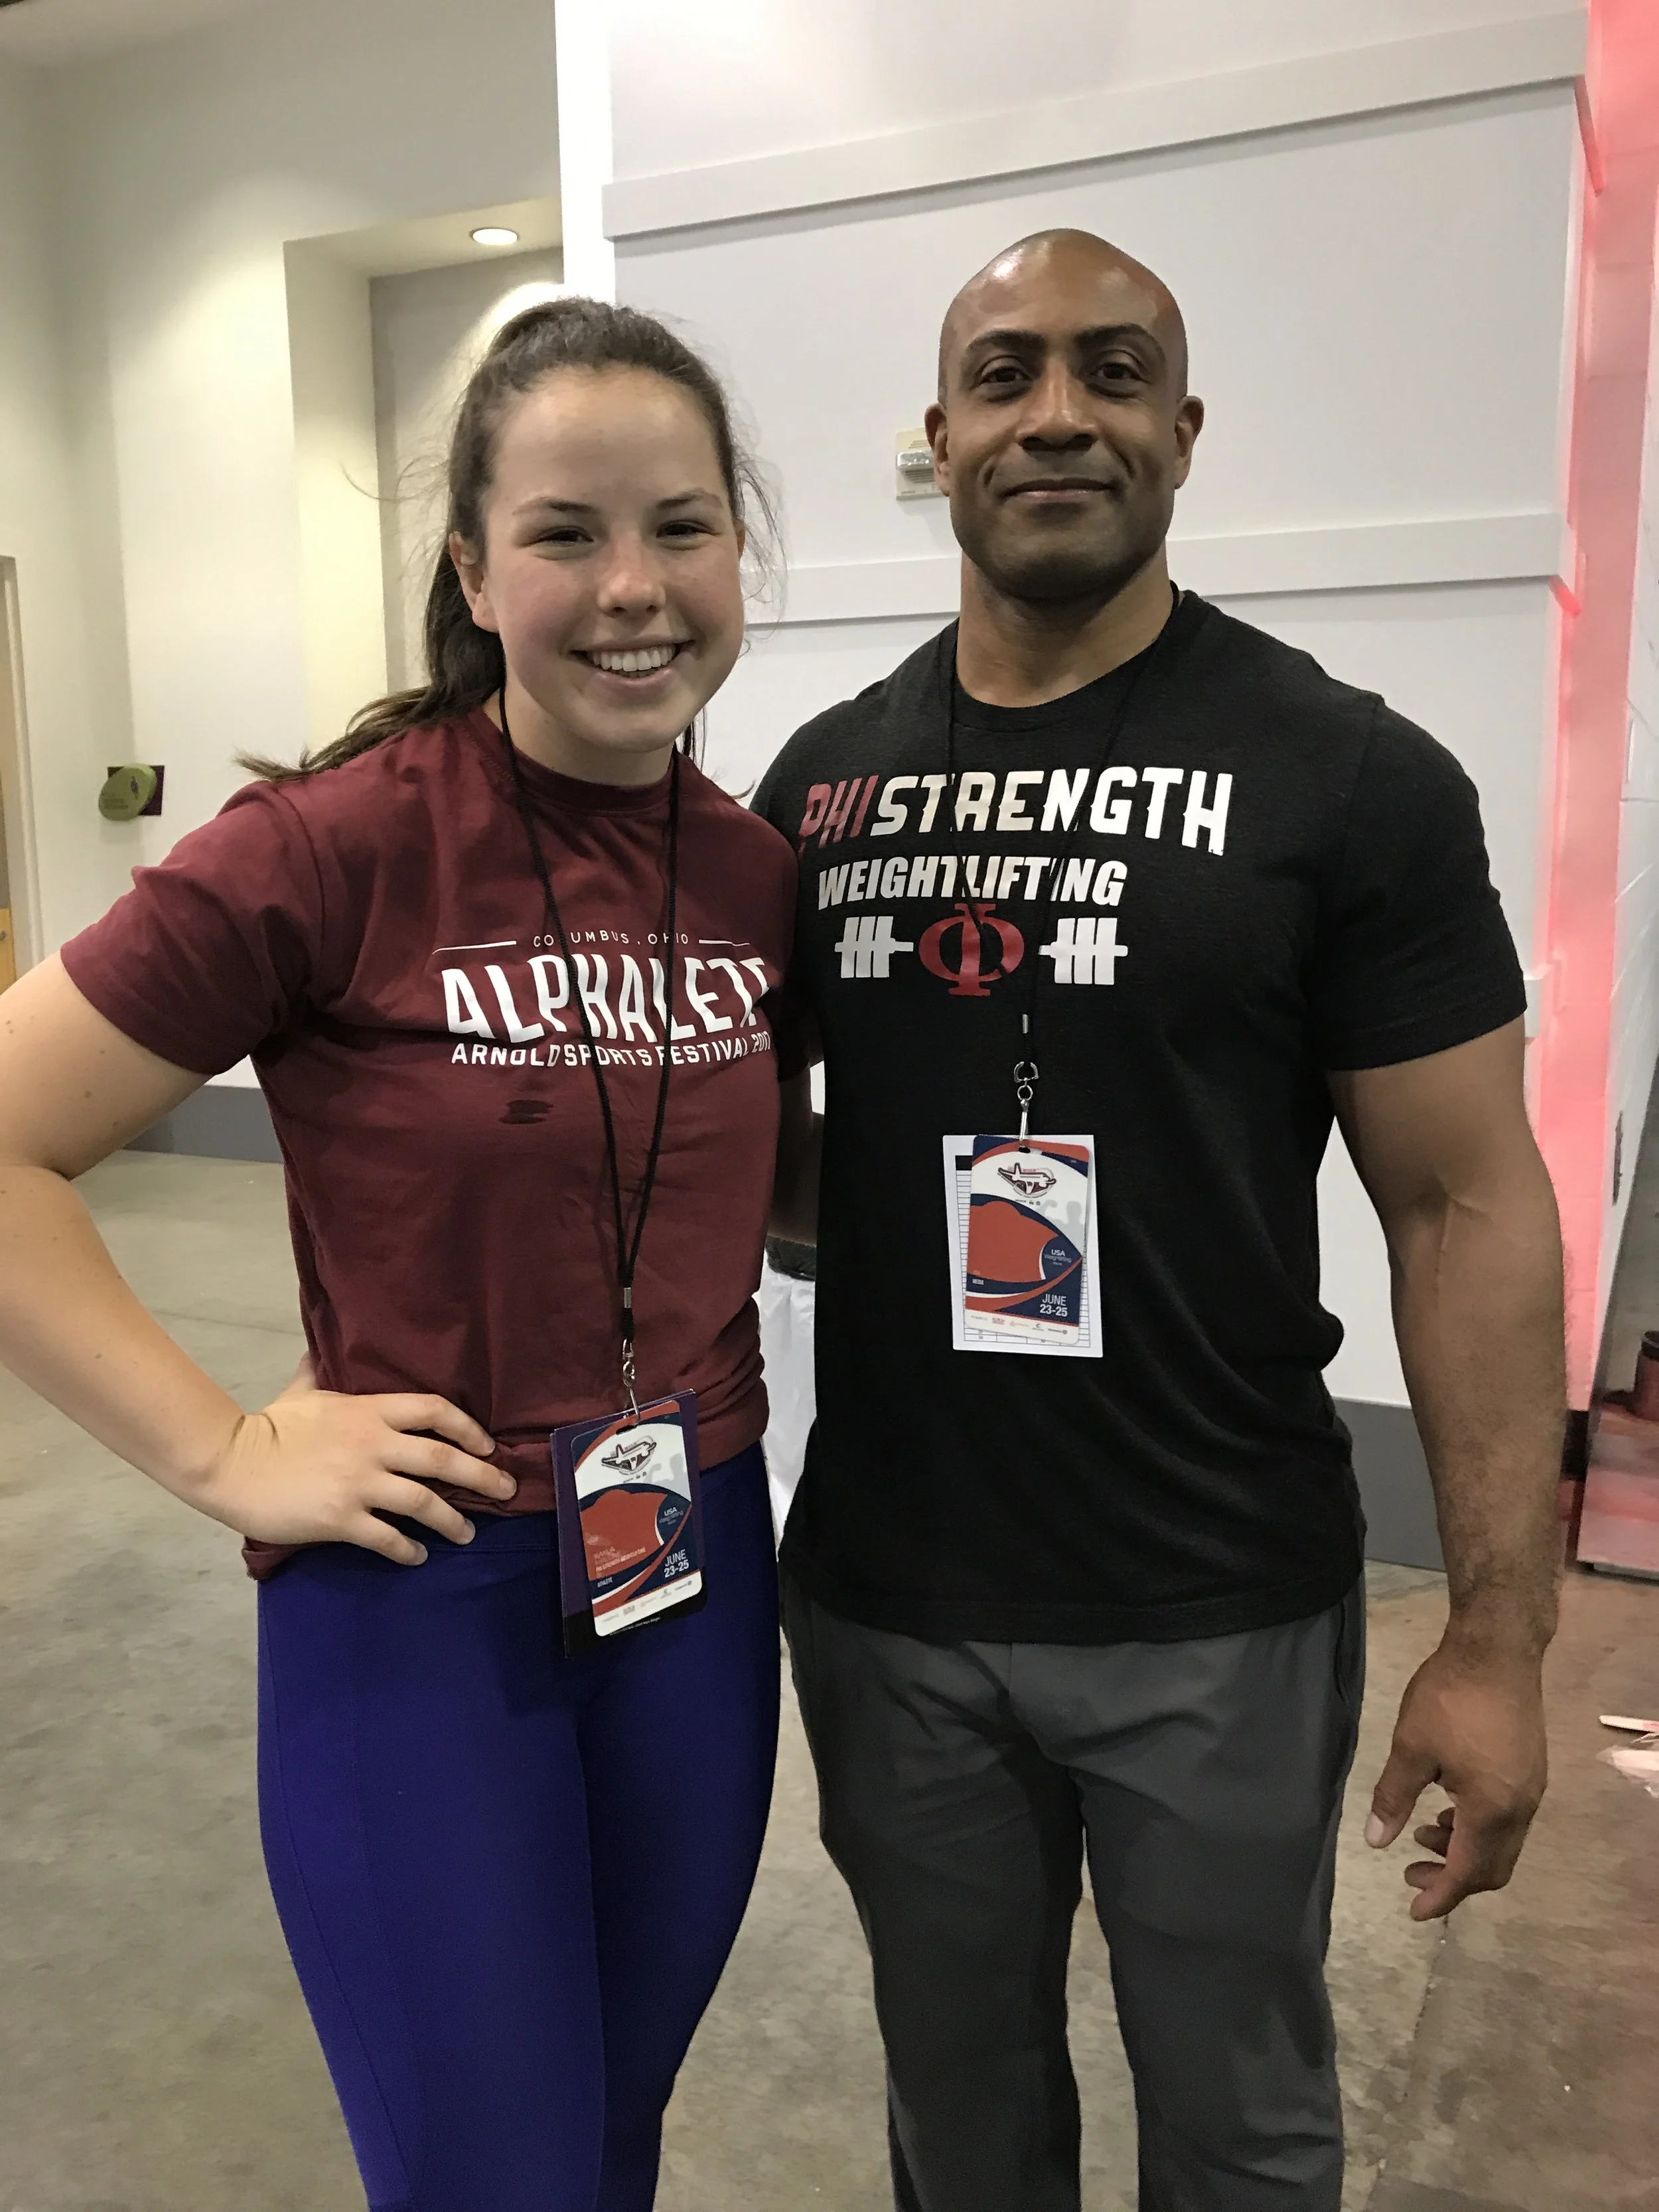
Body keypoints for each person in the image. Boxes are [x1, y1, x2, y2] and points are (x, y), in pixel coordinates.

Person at [757, 230, 1566, 2212]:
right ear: (938, 434)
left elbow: (1464, 1207)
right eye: (1007, 374)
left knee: (1239, 2122)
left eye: (1111, 372)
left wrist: (1496, 1636)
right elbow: (742, 1153)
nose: (1057, 414)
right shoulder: (819, 788)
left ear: (1183, 432)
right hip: (891, 1600)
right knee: (959, 2115)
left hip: (1217, 1602)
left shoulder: (1347, 776)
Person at [0, 297, 814, 2212]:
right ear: (472, 572)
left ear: (737, 549)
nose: (634, 588)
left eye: (682, 526)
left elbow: (733, 1179)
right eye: (564, 534)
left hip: (691, 1564)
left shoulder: (751, 870)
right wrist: (223, 1451)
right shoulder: (330, 848)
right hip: (423, 1587)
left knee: (610, 2134)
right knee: (490, 2173)